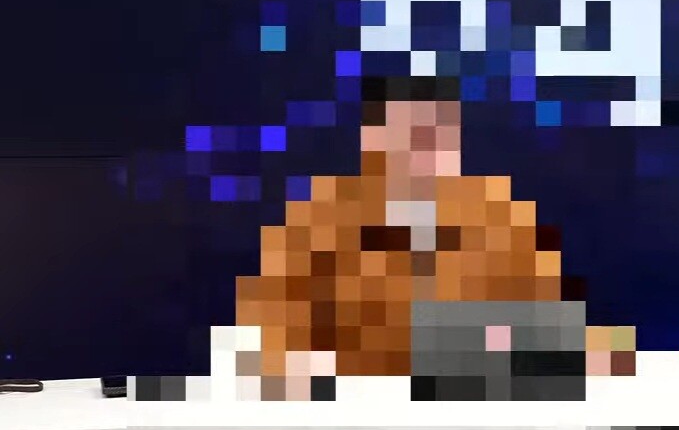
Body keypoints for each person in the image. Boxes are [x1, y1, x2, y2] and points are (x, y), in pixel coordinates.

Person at [232, 73, 637, 399]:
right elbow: (261, 341)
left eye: (440, 136)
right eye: (410, 135)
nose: (427, 151)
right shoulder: (315, 220)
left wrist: (595, 352)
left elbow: (557, 332)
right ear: (371, 142)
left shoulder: (501, 213)